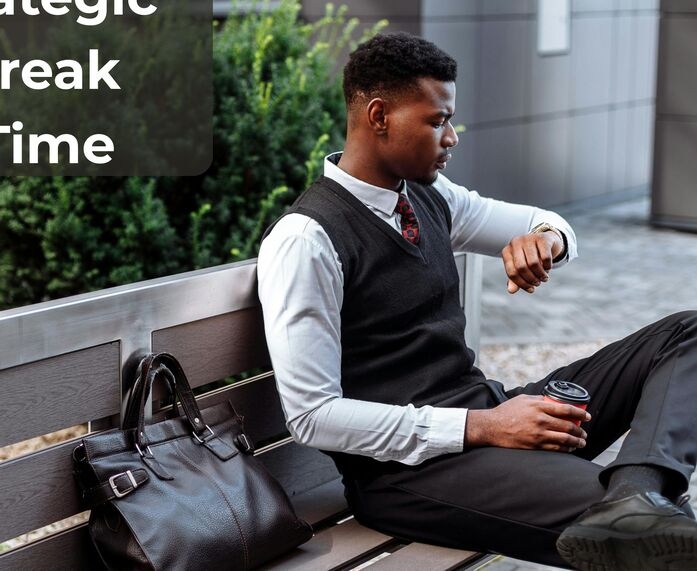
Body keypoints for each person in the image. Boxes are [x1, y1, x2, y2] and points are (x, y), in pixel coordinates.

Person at [256, 32, 697, 570]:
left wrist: (546, 242)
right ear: (378, 116)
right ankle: (628, 509)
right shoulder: (306, 239)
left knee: (686, 333)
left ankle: (636, 491)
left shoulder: (429, 196)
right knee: (654, 538)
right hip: (411, 474)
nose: (452, 137)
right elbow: (313, 416)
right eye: (437, 120)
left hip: (491, 418)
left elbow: (547, 222)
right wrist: (485, 427)